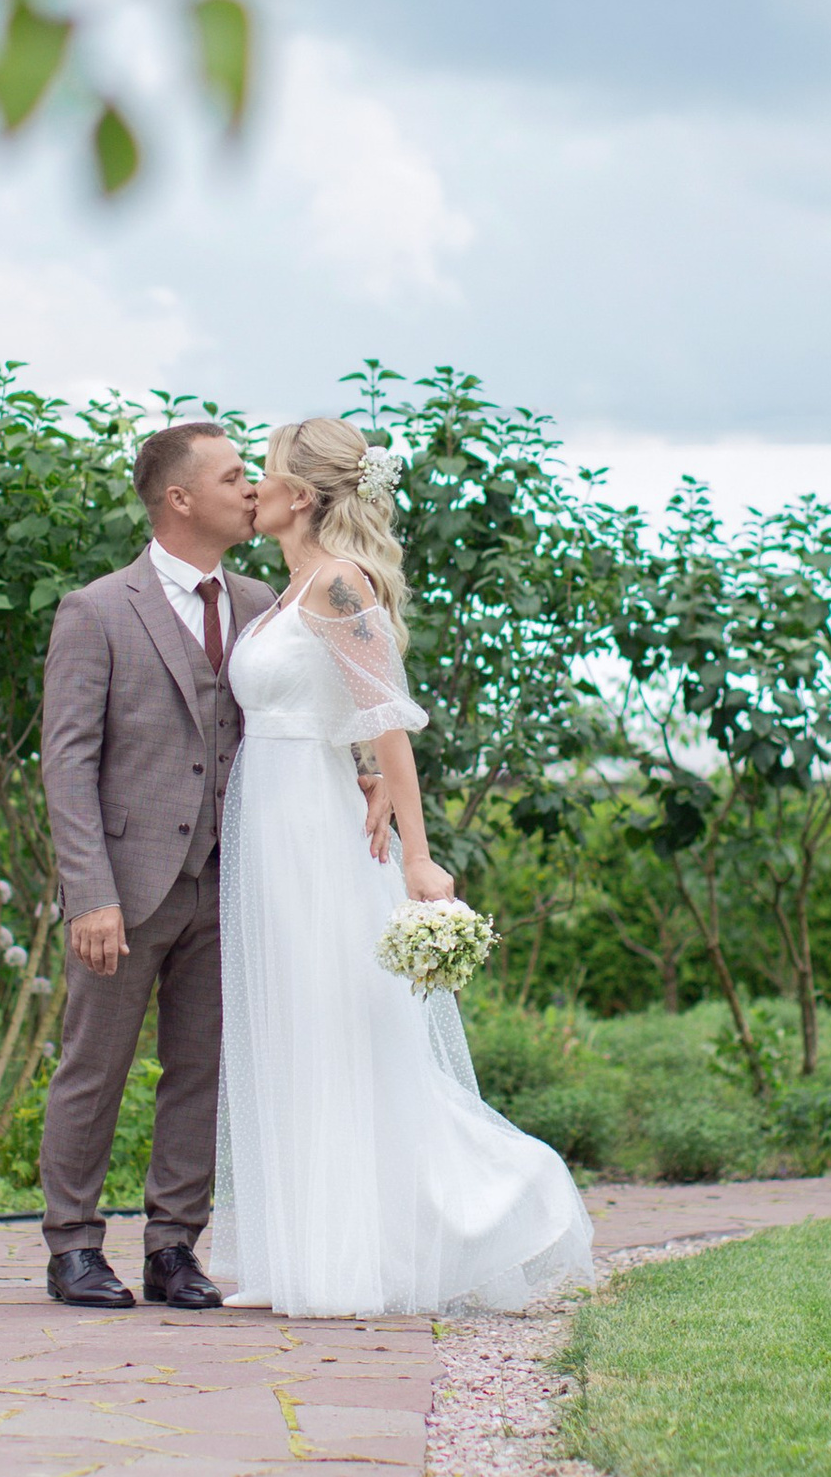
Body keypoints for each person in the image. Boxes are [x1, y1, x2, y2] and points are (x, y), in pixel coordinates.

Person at [214, 416, 596, 1318]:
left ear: (302, 495)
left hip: (316, 837)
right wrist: (355, 767)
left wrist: (420, 860)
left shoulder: (341, 584)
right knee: (293, 1032)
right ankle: (306, 1256)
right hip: (273, 821)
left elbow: (389, 720)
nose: (252, 489)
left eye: (263, 474)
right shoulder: (288, 587)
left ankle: (512, 1194)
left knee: (341, 1030)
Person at [36, 421, 276, 1310]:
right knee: (93, 1066)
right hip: (127, 886)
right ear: (179, 499)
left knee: (201, 1067)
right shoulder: (98, 609)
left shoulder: (260, 604)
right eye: (234, 476)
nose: (251, 490)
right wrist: (88, 893)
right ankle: (72, 1246)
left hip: (229, 878)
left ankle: (174, 1245)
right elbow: (66, 761)